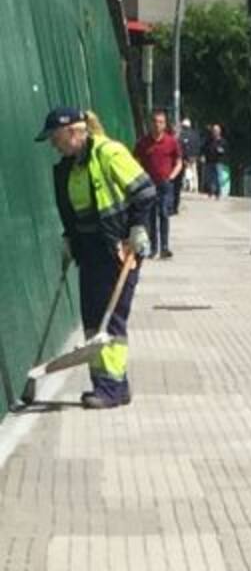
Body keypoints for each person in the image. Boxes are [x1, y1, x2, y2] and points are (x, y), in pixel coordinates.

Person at [37, 107, 155, 410]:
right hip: (89, 250)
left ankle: (110, 389)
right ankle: (113, 385)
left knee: (110, 320)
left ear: (73, 132)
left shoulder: (108, 152)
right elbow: (73, 210)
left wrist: (138, 229)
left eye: (55, 137)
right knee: (93, 320)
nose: (53, 144)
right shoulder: (69, 166)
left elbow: (144, 191)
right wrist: (69, 238)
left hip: (118, 250)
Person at [134, 108, 182, 259]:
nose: (157, 125)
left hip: (165, 184)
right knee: (151, 216)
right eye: (154, 122)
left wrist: (172, 176)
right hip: (148, 184)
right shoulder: (143, 142)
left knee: (163, 213)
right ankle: (153, 247)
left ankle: (165, 247)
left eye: (160, 122)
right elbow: (135, 161)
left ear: (165, 124)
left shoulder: (171, 141)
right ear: (150, 123)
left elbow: (179, 162)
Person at [177, 117, 201, 201]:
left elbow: (182, 146)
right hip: (194, 156)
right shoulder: (195, 134)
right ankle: (195, 187)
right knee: (194, 171)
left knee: (187, 171)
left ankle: (188, 187)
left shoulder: (183, 134)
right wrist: (197, 155)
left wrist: (184, 157)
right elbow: (198, 145)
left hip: (187, 156)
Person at [202, 124, 228, 200]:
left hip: (218, 162)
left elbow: (225, 151)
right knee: (210, 178)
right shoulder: (209, 140)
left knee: (218, 178)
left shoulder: (222, 141)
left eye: (216, 131)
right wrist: (203, 156)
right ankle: (210, 192)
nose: (215, 132)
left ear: (219, 132)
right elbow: (204, 148)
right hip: (209, 161)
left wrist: (221, 151)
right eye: (214, 130)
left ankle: (218, 193)